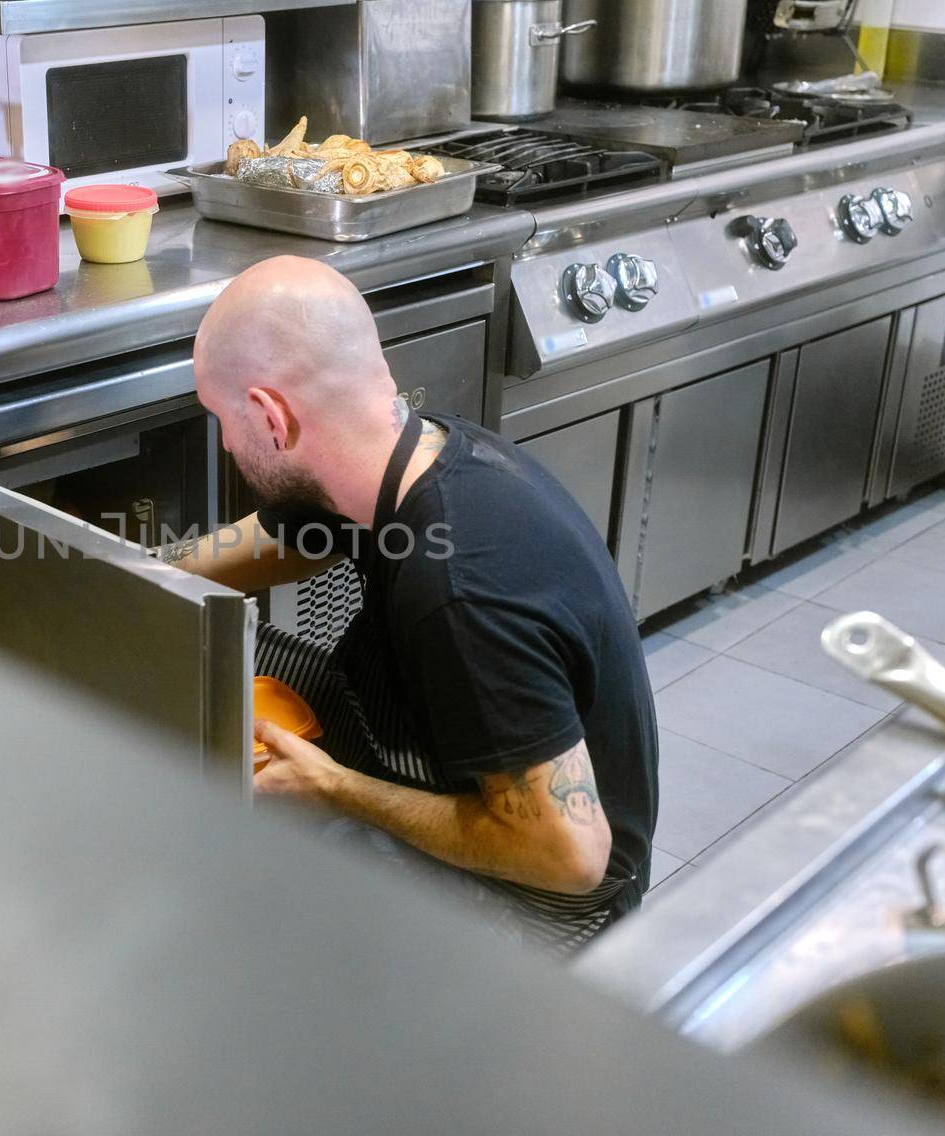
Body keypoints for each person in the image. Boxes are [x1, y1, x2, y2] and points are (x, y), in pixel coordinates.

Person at [167, 256, 659, 952]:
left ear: (272, 418)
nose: (223, 440)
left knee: (238, 893)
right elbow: (288, 538)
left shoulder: (457, 589)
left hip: (547, 900)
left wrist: (335, 789)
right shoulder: (403, 453)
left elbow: (572, 859)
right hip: (451, 759)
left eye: (221, 417)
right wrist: (144, 577)